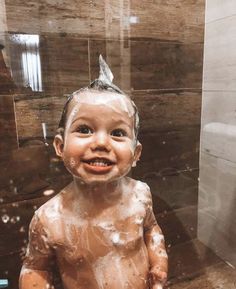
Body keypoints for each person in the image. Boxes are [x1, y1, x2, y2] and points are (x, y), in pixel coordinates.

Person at [19, 56, 168, 289]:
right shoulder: (50, 219)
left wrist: (159, 263)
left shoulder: (140, 194)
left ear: (136, 153)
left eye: (117, 133)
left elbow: (151, 229)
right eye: (85, 129)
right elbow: (35, 268)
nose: (101, 142)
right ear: (60, 146)